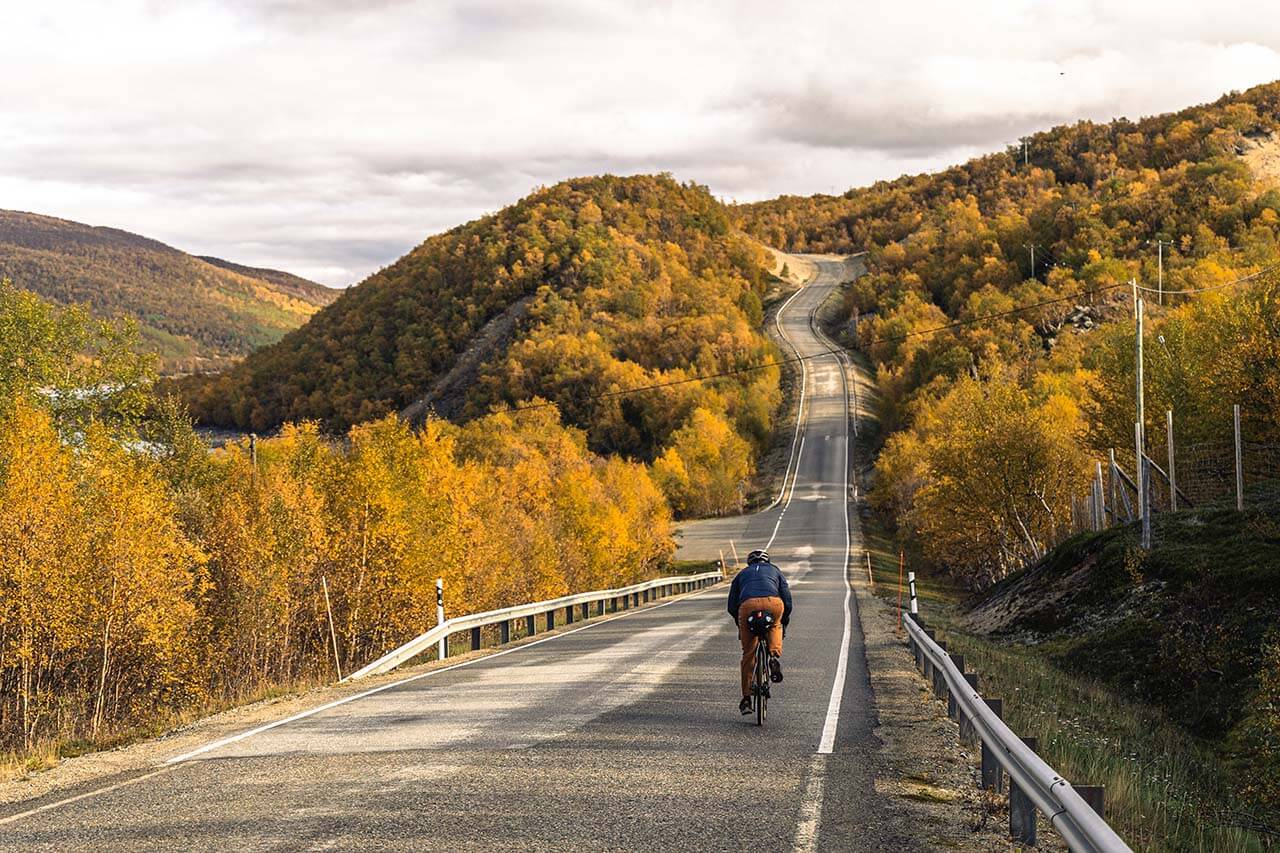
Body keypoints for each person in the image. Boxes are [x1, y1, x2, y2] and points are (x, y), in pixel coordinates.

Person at [727, 549, 792, 715]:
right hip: (773, 603)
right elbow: (787, 598)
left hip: (747, 605)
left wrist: (740, 624)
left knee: (748, 654)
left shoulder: (741, 574)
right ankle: (773, 655)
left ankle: (747, 698)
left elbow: (731, 606)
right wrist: (784, 619)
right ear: (767, 561)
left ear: (749, 563)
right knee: (775, 624)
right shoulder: (775, 571)